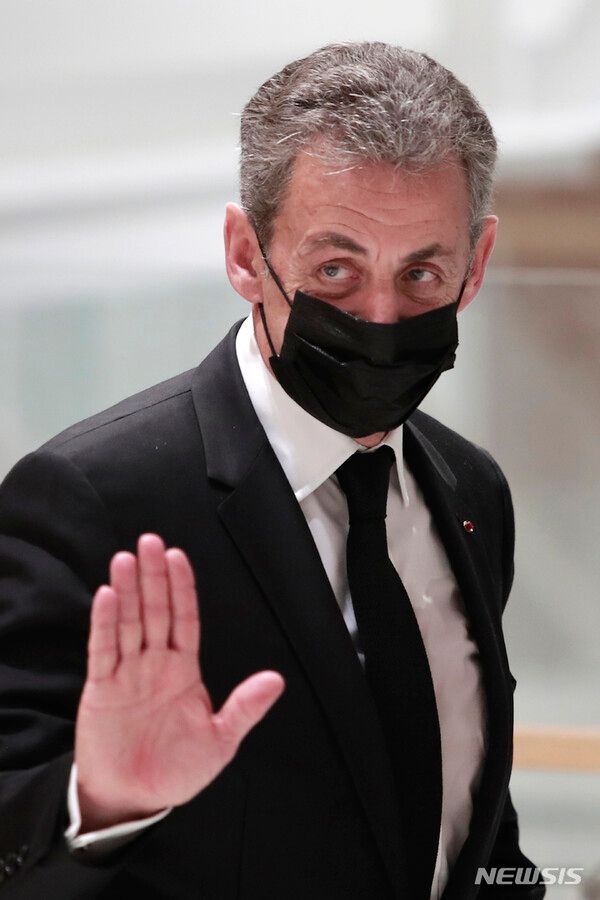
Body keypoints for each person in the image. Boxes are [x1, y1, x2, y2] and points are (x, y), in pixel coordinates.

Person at [0, 42, 545, 899]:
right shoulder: (91, 499)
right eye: (335, 269)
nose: (380, 316)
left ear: (474, 267)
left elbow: (473, 823)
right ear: (246, 256)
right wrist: (102, 803)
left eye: (421, 273)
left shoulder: (473, 489)